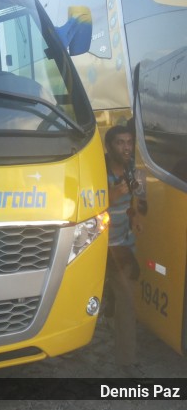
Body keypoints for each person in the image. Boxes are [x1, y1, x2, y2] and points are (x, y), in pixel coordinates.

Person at [103, 124, 147, 375]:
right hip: (95, 248)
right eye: (120, 142)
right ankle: (108, 308)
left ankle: (126, 361)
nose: (126, 147)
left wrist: (135, 218)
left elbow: (136, 202)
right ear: (109, 146)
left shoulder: (133, 170)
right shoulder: (98, 170)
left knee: (128, 301)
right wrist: (111, 194)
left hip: (122, 247)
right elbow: (86, 202)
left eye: (129, 142)